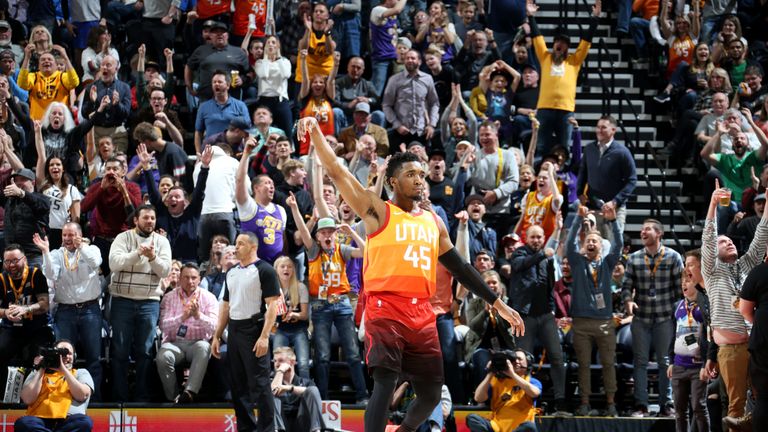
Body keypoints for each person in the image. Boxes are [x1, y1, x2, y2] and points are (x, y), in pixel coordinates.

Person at [297, 116, 524, 432]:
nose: (420, 179)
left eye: (422, 174)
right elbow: (337, 170)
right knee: (386, 382)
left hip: (422, 311)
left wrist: (497, 303)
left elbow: (460, 266)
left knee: (431, 393)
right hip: (384, 308)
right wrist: (316, 132)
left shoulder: (433, 221)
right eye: (411, 174)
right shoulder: (378, 210)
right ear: (392, 182)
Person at [286, 194, 370, 403]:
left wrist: (351, 232)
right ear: (317, 237)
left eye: (331, 232)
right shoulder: (313, 251)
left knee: (352, 354)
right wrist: (295, 209)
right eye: (323, 232)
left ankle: (362, 396)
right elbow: (304, 231)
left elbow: (367, 252)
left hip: (342, 303)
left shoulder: (341, 249)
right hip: (320, 305)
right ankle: (321, 399)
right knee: (322, 356)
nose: (328, 235)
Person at [701, 183, 768, 424]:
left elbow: (761, 237)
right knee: (736, 405)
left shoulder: (747, 265)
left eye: (730, 240)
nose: (728, 242)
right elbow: (708, 240)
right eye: (723, 242)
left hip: (757, 346)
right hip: (731, 350)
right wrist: (713, 205)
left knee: (762, 402)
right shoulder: (711, 270)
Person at [212, 232, 281, 432]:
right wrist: (217, 335)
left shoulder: (265, 270)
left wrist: (264, 336)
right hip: (234, 329)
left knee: (259, 384)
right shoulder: (231, 272)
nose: (235, 248)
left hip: (254, 329)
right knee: (237, 385)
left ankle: (268, 429)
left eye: (241, 244)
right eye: (235, 244)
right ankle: (246, 428)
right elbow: (225, 306)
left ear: (253, 247)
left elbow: (273, 306)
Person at [108, 204, 172, 402]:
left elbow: (165, 271)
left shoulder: (162, 242)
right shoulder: (123, 238)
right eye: (145, 218)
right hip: (122, 301)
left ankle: (141, 397)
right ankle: (120, 396)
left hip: (149, 303)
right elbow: (114, 264)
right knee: (119, 351)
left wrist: (152, 257)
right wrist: (138, 253)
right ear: (136, 220)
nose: (150, 221)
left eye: (152, 218)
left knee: (144, 352)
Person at [622, 219, 684, 417]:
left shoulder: (673, 257)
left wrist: (676, 312)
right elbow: (626, 287)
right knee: (640, 361)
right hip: (641, 318)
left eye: (647, 229)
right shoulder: (634, 258)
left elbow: (680, 289)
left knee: (665, 361)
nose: (642, 232)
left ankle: (667, 403)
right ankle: (641, 404)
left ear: (659, 234)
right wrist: (627, 301)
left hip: (665, 317)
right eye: (641, 229)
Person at [33, 225, 103, 400]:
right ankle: (63, 398)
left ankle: (94, 400)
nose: (67, 238)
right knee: (61, 359)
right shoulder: (57, 254)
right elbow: (50, 274)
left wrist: (82, 247)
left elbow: (95, 263)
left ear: (80, 235)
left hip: (90, 310)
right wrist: (46, 252)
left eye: (72, 234)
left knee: (93, 358)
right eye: (65, 235)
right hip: (65, 311)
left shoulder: (92, 249)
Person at [566, 204, 622, 417]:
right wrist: (578, 221)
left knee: (609, 364)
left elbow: (619, 245)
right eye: (588, 240)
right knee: (583, 365)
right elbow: (570, 243)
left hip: (605, 322)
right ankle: (585, 403)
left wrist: (614, 221)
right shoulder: (577, 261)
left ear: (601, 245)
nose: (591, 242)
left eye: (595, 241)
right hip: (580, 323)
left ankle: (611, 403)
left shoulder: (607, 264)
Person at [508, 224, 568, 414]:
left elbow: (549, 286)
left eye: (539, 237)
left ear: (544, 238)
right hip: (525, 317)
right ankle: (523, 402)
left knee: (558, 357)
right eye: (533, 237)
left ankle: (560, 400)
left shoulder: (546, 259)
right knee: (522, 361)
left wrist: (552, 310)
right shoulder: (519, 254)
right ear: (526, 238)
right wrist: (543, 254)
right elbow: (520, 265)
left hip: (544, 316)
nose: (536, 240)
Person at [527, 0, 600, 155]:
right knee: (541, 146)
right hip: (545, 109)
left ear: (568, 47)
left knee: (564, 147)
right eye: (557, 42)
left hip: (566, 110)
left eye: (564, 43)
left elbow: (586, 42)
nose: (560, 45)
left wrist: (594, 18)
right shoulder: (545, 56)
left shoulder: (574, 61)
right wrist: (531, 17)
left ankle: (563, 178)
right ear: (553, 44)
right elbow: (537, 37)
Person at [156, 263, 219, 403]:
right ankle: (174, 398)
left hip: (198, 342)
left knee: (204, 347)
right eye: (186, 277)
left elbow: (215, 327)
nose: (190, 281)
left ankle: (189, 392)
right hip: (174, 343)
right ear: (179, 278)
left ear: (199, 279)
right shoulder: (169, 297)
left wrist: (198, 316)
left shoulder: (209, 298)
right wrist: (182, 317)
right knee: (163, 356)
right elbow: (163, 326)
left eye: (193, 277)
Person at [0, 244, 52, 399]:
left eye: (15, 260)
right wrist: (6, 312)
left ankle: (36, 398)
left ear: (25, 259)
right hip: (12, 328)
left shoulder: (36, 274)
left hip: (36, 328)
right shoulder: (2, 278)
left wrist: (26, 309)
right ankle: (4, 397)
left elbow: (44, 304)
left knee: (38, 357)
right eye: (7, 261)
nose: (11, 265)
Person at [576, 115, 637, 238]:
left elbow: (632, 180)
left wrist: (615, 201)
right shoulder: (589, 149)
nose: (599, 130)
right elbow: (583, 172)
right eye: (598, 127)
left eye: (603, 127)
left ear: (613, 130)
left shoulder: (622, 152)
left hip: (614, 209)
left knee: (613, 247)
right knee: (592, 246)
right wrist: (579, 193)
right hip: (593, 207)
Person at [14, 340, 93, 432]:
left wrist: (62, 369)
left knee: (84, 422)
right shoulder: (37, 372)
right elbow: (27, 399)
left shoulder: (81, 373)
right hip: (40, 419)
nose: (65, 356)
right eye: (61, 353)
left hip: (69, 420)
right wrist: (41, 369)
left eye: (69, 353)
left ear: (74, 357)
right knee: (23, 423)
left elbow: (82, 395)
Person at [668, 269, 710, 432]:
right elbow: (673, 335)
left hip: (697, 366)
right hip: (678, 365)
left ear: (698, 284)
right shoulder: (677, 306)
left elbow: (709, 337)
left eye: (688, 280)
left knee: (698, 408)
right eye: (682, 282)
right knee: (679, 411)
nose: (684, 284)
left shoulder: (704, 306)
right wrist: (670, 361)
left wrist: (705, 364)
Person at [236, 137, 287, 266]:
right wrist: (246, 154)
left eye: (272, 184)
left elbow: (283, 239)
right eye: (267, 183)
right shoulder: (249, 206)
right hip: (253, 266)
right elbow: (240, 181)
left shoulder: (280, 210)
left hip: (276, 266)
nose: (272, 186)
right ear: (256, 188)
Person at [465, 349, 541, 432]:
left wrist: (512, 374)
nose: (516, 361)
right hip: (496, 428)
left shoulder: (531, 381)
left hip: (519, 428)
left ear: (528, 362)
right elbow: (478, 398)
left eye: (519, 359)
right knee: (472, 418)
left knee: (529, 426)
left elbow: (534, 393)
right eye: (513, 359)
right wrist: (490, 373)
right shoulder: (496, 381)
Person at [381, 49, 440, 151]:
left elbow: (434, 103)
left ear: (420, 61)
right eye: (407, 58)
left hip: (421, 132)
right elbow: (386, 105)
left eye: (413, 58)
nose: (409, 60)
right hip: (401, 131)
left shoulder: (428, 79)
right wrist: (397, 124)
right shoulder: (394, 80)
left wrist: (431, 125)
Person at [739, 251, 768, 429]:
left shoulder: (759, 272)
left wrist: (759, 321)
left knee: (764, 397)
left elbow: (744, 309)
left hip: (764, 340)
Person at [1, 168, 50, 268]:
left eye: (23, 179)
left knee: (36, 283)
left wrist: (21, 194)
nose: (18, 182)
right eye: (16, 180)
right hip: (11, 256)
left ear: (33, 182)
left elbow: (42, 205)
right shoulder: (9, 200)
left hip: (32, 256)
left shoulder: (41, 198)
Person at [271, 346, 328, 432]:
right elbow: (273, 390)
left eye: (281, 360)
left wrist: (289, 388)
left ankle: (316, 430)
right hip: (281, 424)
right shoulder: (273, 382)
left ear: (292, 362)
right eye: (275, 361)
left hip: (302, 423)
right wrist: (280, 372)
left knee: (312, 390)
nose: (276, 364)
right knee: (271, 394)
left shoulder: (307, 382)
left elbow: (312, 392)